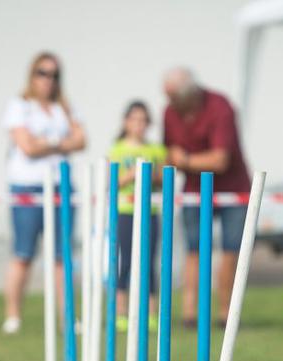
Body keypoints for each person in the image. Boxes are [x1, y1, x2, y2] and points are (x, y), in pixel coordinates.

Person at [1, 51, 86, 334]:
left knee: (62, 256)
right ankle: (13, 316)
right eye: (43, 72)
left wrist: (45, 142)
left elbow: (81, 140)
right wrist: (60, 142)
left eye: (54, 74)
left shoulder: (65, 107)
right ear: (32, 74)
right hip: (27, 187)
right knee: (23, 252)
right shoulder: (19, 106)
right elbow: (27, 147)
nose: (48, 79)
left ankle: (68, 318)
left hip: (61, 187)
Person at [162, 67, 251, 328]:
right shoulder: (169, 113)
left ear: (189, 94)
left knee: (231, 251)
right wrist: (179, 161)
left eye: (174, 97)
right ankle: (190, 314)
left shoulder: (220, 106)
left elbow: (220, 160)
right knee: (193, 249)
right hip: (194, 190)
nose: (170, 103)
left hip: (232, 189)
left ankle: (227, 314)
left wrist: (186, 160)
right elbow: (169, 154)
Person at [107, 101, 167, 332]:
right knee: (125, 261)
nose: (139, 125)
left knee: (149, 262)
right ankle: (121, 312)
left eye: (143, 120)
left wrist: (153, 175)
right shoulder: (117, 150)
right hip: (125, 212)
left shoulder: (156, 150)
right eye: (134, 120)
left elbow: (163, 178)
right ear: (126, 122)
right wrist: (133, 174)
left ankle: (151, 313)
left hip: (150, 212)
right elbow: (113, 182)